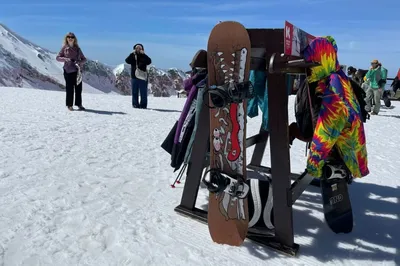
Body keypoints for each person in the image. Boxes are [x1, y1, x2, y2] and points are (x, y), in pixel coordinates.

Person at [56, 32, 87, 111]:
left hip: (77, 71)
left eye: (72, 37)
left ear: (74, 39)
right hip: (68, 70)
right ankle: (69, 105)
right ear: (66, 38)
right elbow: (58, 58)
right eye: (68, 37)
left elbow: (84, 59)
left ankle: (79, 104)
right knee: (69, 88)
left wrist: (79, 62)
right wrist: (66, 59)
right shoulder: (64, 48)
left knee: (78, 88)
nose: (70, 38)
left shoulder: (77, 49)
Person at [125, 44, 152, 109]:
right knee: (134, 91)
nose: (138, 49)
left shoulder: (144, 56)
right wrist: (132, 54)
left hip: (143, 76)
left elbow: (149, 61)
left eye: (140, 48)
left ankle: (143, 105)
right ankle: (135, 105)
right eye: (137, 48)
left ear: (142, 49)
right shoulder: (133, 56)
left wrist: (144, 54)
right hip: (134, 76)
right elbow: (127, 60)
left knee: (143, 92)